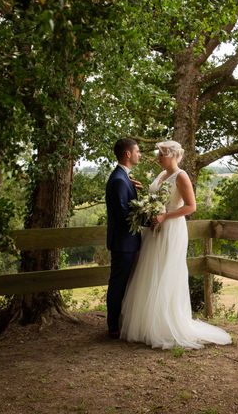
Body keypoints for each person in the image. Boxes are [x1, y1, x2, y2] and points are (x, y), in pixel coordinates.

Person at [119, 140, 232, 349]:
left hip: (171, 229)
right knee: (150, 271)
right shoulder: (161, 175)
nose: (157, 158)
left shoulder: (181, 176)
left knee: (165, 273)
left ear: (171, 155)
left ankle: (165, 325)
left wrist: (165, 216)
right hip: (154, 230)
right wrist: (143, 193)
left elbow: (191, 207)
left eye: (161, 154)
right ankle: (147, 324)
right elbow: (155, 199)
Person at [105, 137, 142, 339]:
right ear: (127, 154)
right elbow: (123, 215)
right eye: (137, 151)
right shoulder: (119, 180)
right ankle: (112, 327)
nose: (140, 154)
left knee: (122, 282)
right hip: (123, 243)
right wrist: (146, 216)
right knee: (118, 283)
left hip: (126, 242)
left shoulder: (124, 177)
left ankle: (119, 321)